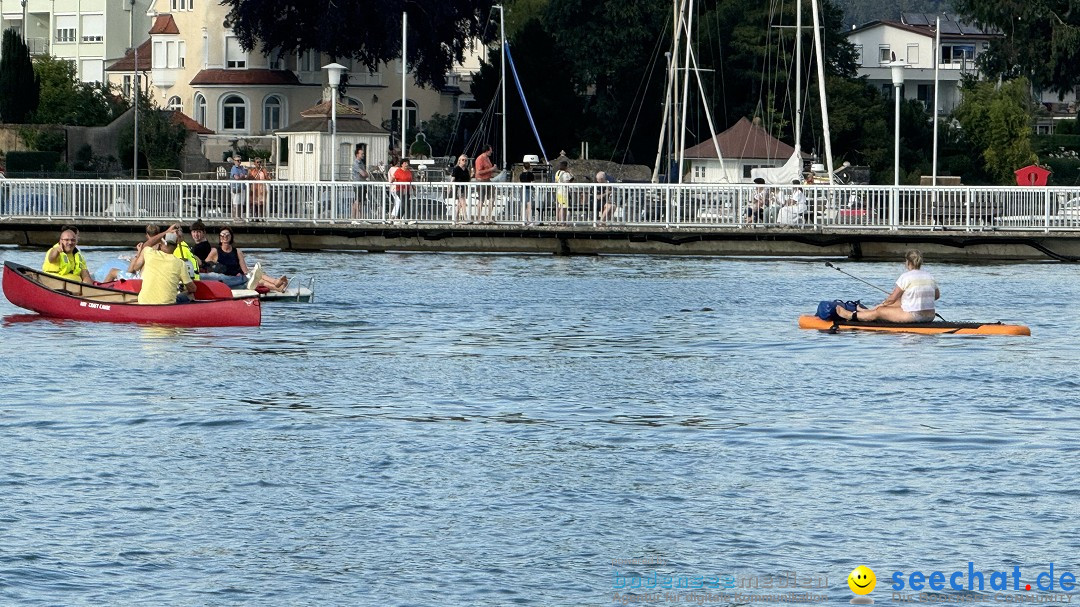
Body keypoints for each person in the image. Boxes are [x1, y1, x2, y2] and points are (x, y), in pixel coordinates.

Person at [835, 249, 940, 323]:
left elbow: (891, 300)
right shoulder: (930, 276)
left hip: (914, 316)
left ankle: (850, 315)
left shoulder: (906, 277)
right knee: (899, 302)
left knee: (880, 311)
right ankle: (867, 311)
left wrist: (881, 305)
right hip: (930, 316)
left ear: (908, 262)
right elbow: (936, 296)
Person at [204, 227, 288, 292]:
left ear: (231, 237)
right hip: (227, 280)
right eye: (222, 236)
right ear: (220, 238)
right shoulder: (215, 251)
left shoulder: (237, 251)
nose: (225, 237)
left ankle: (276, 283)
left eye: (227, 235)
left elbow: (245, 271)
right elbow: (206, 266)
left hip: (238, 278)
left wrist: (251, 274)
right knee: (259, 280)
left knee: (257, 275)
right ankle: (277, 287)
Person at [136, 228, 196, 304]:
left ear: (161, 244)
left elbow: (148, 244)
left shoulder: (149, 253)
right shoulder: (180, 263)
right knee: (190, 295)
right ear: (175, 247)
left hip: (144, 303)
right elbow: (192, 288)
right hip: (167, 306)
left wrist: (166, 232)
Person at [474, 143, 496, 224]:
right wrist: (491, 169)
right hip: (481, 181)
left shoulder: (487, 158)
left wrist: (494, 170)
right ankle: (479, 218)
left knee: (492, 198)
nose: (491, 152)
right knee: (481, 199)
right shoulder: (480, 158)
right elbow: (479, 172)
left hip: (488, 180)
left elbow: (489, 169)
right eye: (490, 150)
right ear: (487, 151)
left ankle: (489, 217)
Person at [350, 145, 370, 219]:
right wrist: (364, 174)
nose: (363, 155)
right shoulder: (355, 163)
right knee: (357, 201)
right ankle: (355, 218)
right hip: (358, 185)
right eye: (361, 154)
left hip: (362, 184)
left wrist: (364, 174)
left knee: (360, 201)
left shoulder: (361, 163)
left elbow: (366, 174)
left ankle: (358, 218)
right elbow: (363, 173)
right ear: (357, 154)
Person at [451, 154, 471, 223]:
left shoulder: (466, 170)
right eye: (463, 160)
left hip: (465, 187)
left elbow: (468, 179)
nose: (464, 161)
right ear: (459, 161)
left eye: (465, 160)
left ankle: (456, 218)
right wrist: (449, 186)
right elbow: (453, 178)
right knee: (463, 202)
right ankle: (465, 218)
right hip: (458, 187)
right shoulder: (456, 168)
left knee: (460, 203)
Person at [229, 155, 248, 220]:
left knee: (241, 203)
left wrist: (242, 177)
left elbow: (246, 176)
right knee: (235, 203)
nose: (239, 162)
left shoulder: (242, 168)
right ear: (234, 161)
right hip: (235, 188)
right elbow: (237, 177)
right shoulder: (234, 168)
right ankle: (235, 217)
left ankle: (240, 216)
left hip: (242, 187)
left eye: (240, 160)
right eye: (238, 160)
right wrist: (242, 177)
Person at [520, 160, 536, 225]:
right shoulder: (531, 174)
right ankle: (529, 220)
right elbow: (533, 182)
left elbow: (521, 181)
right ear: (529, 167)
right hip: (528, 189)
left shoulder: (521, 175)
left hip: (522, 189)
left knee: (523, 205)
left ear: (523, 167)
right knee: (529, 205)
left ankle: (523, 220)